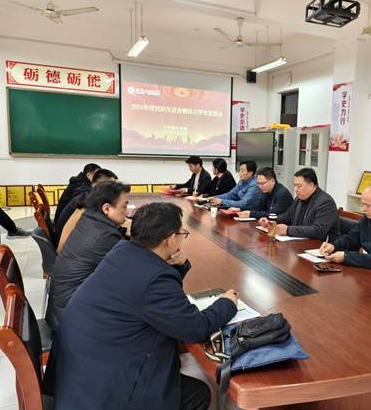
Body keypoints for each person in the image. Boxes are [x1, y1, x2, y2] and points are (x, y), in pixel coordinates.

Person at [50, 202, 238, 410]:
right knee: (199, 393)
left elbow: (154, 298)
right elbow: (195, 328)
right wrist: (227, 303)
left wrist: (179, 265)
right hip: (104, 391)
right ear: (169, 239)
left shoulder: (122, 251)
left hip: (80, 370)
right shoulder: (155, 279)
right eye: (181, 234)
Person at [46, 181, 131, 330]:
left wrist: (123, 231)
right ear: (106, 208)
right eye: (124, 206)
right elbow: (131, 273)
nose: (127, 212)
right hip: (73, 319)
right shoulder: (105, 237)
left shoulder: (89, 219)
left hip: (62, 305)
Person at [259, 168, 338, 240]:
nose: (295, 189)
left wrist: (288, 230)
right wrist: (271, 221)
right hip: (301, 242)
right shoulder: (299, 199)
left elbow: (318, 230)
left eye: (299, 186)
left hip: (321, 246)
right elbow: (287, 216)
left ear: (311, 185)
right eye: (295, 186)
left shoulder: (325, 202)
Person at [54, 168, 118, 248]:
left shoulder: (87, 194)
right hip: (66, 245)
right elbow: (104, 225)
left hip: (64, 241)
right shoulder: (90, 200)